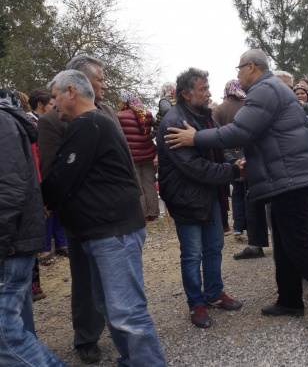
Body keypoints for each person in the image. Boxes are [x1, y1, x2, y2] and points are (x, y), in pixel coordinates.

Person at [165, 49, 308, 333]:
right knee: (284, 244)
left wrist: (196, 138)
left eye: (239, 68)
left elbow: (240, 131)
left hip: (291, 178)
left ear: (251, 66)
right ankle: (290, 300)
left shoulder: (265, 90)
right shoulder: (270, 88)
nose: (238, 74)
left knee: (300, 245)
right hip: (284, 178)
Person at [41, 70, 166, 366]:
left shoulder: (89, 123)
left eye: (56, 96)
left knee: (127, 312)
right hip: (103, 231)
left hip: (113, 232)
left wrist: (44, 200)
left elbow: (61, 178)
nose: (53, 104)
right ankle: (131, 360)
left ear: (71, 91)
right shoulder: (95, 121)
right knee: (110, 307)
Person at [37, 55, 121, 364]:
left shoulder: (108, 112)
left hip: (115, 213)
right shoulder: (52, 120)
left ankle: (121, 329)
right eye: (100, 78)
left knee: (116, 276)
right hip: (82, 216)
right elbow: (52, 171)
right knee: (85, 278)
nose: (104, 84)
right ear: (80, 82)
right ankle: (86, 337)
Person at [157, 68, 243, 328]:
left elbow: (217, 147)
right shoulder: (173, 122)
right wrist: (232, 171)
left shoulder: (206, 116)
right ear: (186, 94)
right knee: (192, 254)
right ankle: (196, 303)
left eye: (208, 88)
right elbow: (194, 167)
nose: (208, 93)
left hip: (210, 193)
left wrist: (233, 162)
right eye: (203, 89)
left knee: (214, 246)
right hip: (186, 198)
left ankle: (214, 293)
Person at [0, 88, 66, 366]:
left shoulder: (3, 122)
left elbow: (10, 188)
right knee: (16, 326)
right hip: (14, 239)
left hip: (11, 242)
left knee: (7, 337)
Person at [117, 91, 160, 222]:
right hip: (148, 154)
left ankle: (143, 215)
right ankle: (154, 213)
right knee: (150, 184)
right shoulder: (147, 114)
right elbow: (156, 127)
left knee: (138, 186)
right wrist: (150, 137)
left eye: (120, 101)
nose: (118, 104)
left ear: (125, 102)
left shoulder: (118, 117)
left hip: (132, 156)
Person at [214, 79, 249, 236]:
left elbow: (214, 132)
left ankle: (238, 226)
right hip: (248, 152)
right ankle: (251, 226)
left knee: (237, 192)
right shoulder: (248, 105)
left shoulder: (220, 109)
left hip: (229, 156)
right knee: (249, 191)